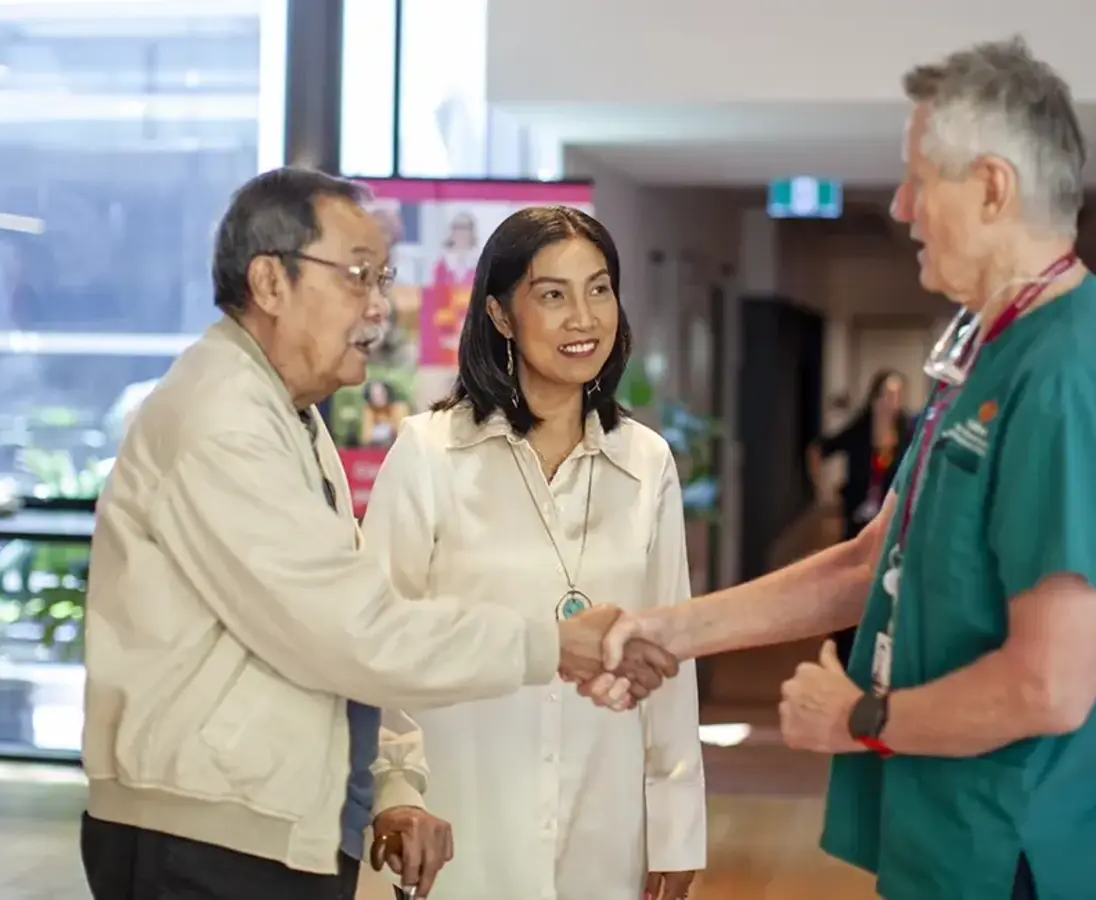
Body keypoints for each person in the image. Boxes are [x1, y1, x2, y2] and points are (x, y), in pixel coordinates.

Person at [591, 37, 1096, 900]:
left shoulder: (1072, 374)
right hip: (942, 841)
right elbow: (874, 561)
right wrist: (666, 631)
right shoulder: (990, 352)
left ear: (992, 186)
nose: (901, 207)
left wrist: (860, 717)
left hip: (1018, 857)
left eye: (918, 178)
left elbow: (1050, 686)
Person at [76, 167, 676, 900]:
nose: (379, 307)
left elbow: (344, 629)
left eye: (382, 277)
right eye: (358, 277)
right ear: (270, 283)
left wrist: (391, 775)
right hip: (205, 837)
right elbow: (354, 629)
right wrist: (553, 645)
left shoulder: (287, 417)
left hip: (271, 822)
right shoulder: (224, 423)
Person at [359, 207, 706, 900]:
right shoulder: (430, 454)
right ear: (500, 314)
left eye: (599, 288)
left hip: (603, 821)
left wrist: (675, 824)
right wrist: (395, 791)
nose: (584, 317)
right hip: (457, 820)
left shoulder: (646, 462)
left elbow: (670, 656)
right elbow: (376, 643)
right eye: (553, 295)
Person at [806, 368, 913, 663]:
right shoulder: (861, 426)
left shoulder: (908, 429)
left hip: (891, 521)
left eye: (898, 394)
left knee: (886, 582)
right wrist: (821, 494)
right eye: (887, 394)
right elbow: (818, 450)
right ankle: (845, 650)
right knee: (851, 578)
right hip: (856, 519)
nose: (893, 401)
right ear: (875, 396)